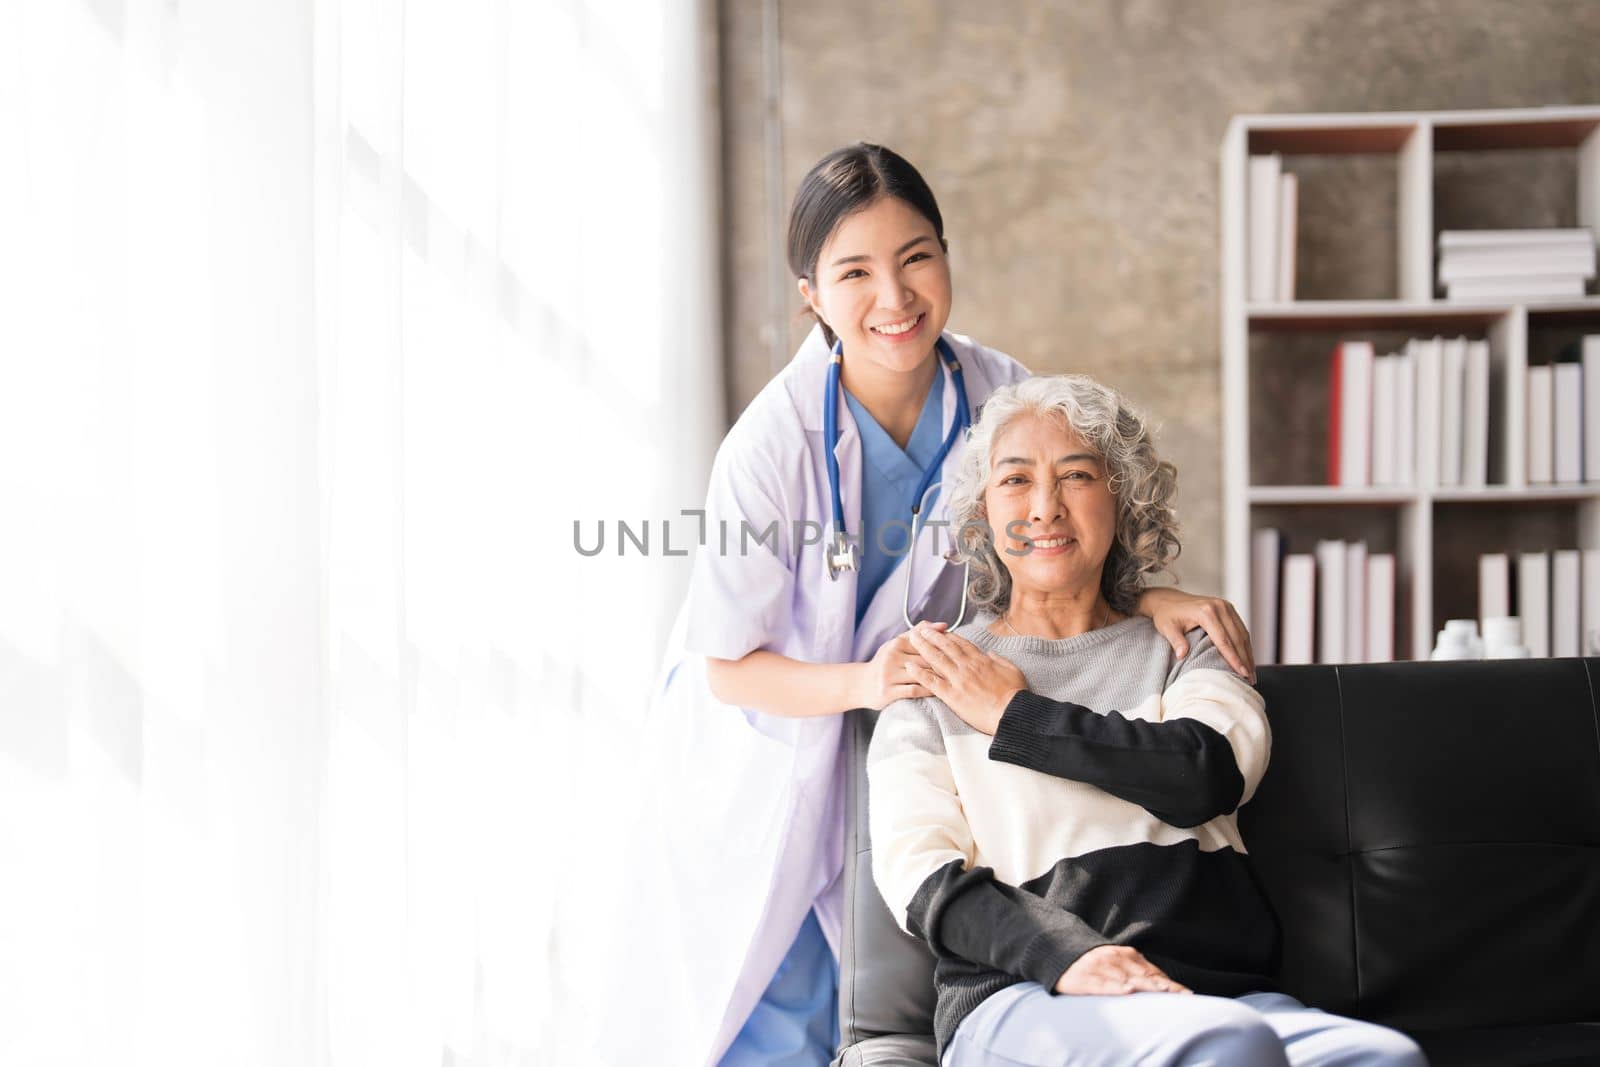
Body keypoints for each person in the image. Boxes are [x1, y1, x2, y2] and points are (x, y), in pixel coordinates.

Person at [618, 144, 1258, 1067]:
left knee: (888, 980)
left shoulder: (1002, 392)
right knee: (780, 1014)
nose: (895, 296)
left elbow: (1052, 530)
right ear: (810, 292)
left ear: (947, 255)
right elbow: (728, 667)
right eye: (854, 272)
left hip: (922, 739)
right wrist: (868, 680)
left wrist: (1142, 590)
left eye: (916, 256)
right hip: (775, 756)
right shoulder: (769, 446)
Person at [868, 374, 1426, 1067]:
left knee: (1384, 1058)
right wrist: (1070, 955)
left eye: (1077, 475)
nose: (1044, 507)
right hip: (1027, 995)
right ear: (982, 513)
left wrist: (1017, 716)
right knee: (1230, 1048)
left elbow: (1203, 773)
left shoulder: (1189, 644)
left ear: (1122, 498)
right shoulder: (938, 678)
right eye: (1015, 480)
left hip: (1218, 995)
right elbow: (920, 876)